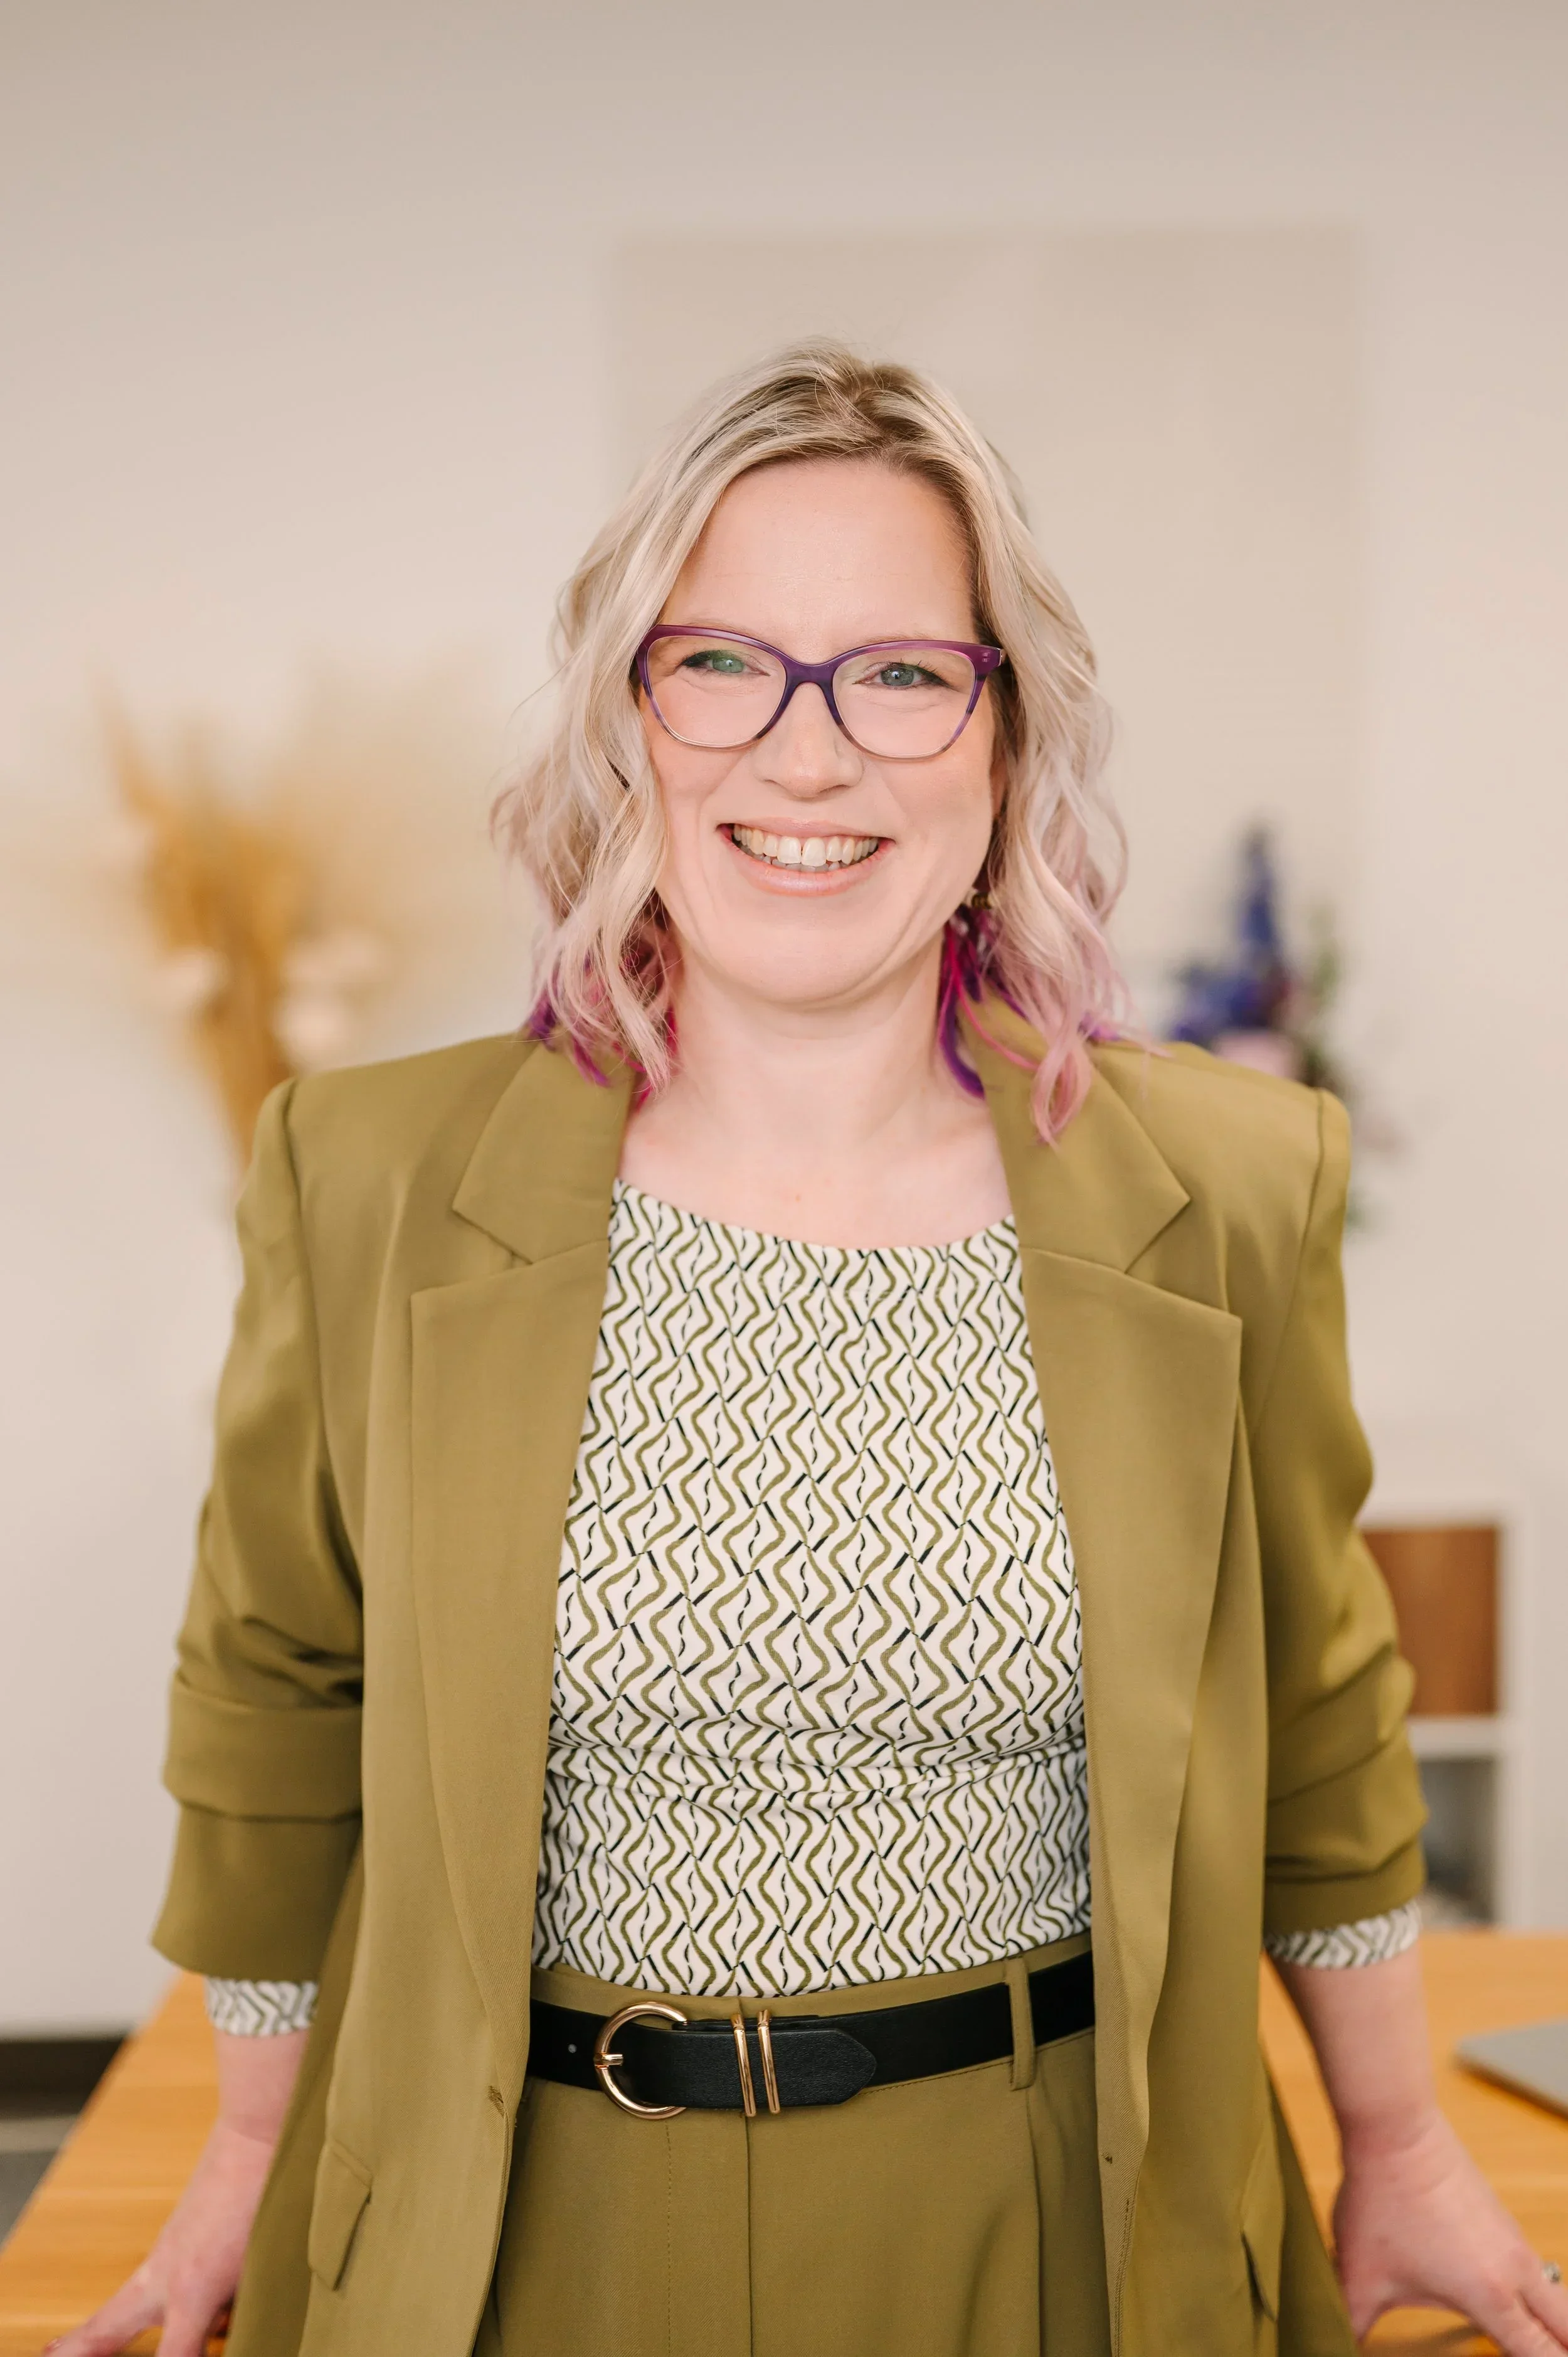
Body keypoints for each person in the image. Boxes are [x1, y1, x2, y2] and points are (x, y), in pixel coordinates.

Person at [53, 344, 1567, 2357]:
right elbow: (273, 1689)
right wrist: (249, 2150)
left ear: (1003, 736)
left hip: (1049, 2222)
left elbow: (1318, 1699)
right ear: (627, 716)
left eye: (897, 671)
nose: (806, 753)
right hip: (528, 2225)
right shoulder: (369, 1174)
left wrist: (1400, 2136)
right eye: (723, 664)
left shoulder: (1223, 1184)